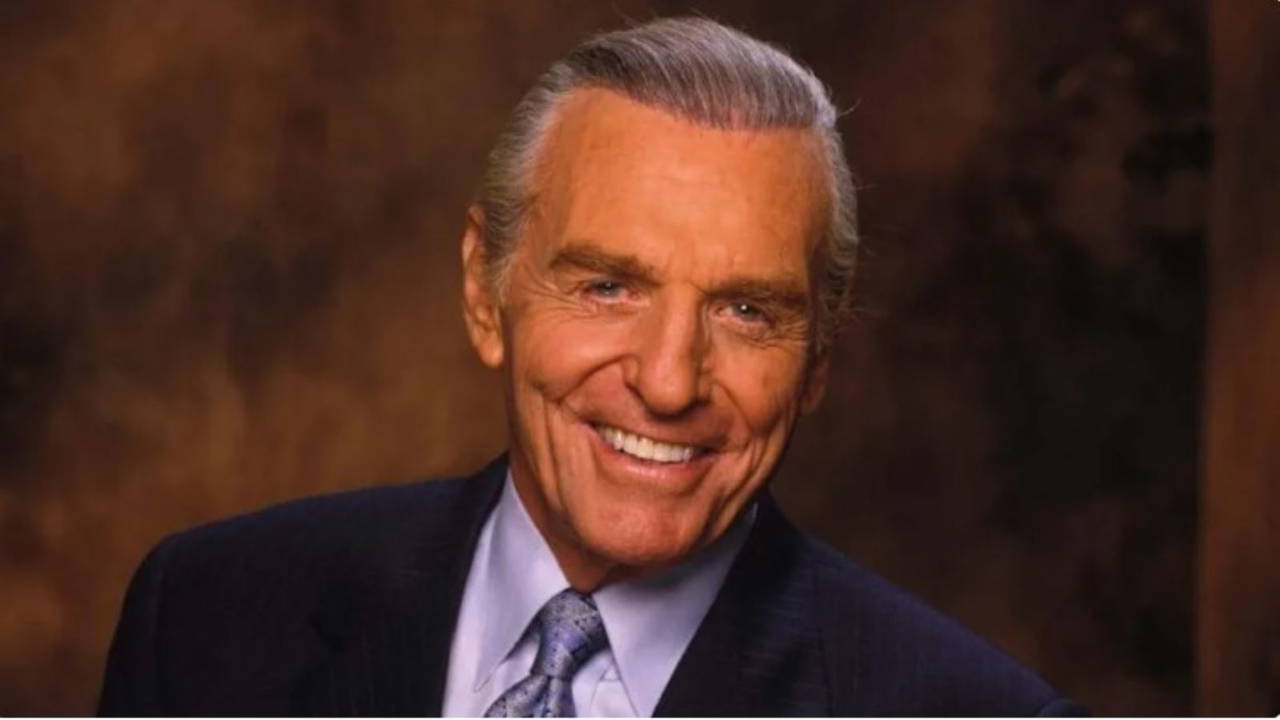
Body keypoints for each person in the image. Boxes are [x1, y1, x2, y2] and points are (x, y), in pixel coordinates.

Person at [99, 17, 1083, 717]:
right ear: (485, 291)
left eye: (746, 311)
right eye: (608, 287)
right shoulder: (204, 616)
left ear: (818, 353)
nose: (667, 382)